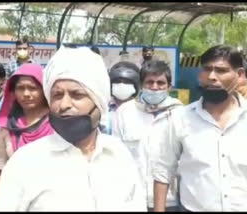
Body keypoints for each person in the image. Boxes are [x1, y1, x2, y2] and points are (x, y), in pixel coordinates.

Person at [0, 46, 147, 211]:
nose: (64, 105)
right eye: (57, 95)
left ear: (98, 102)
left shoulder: (119, 155)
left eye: (77, 95)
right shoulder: (26, 161)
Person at [153, 45, 247, 211]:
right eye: (206, 69)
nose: (212, 76)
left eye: (221, 70)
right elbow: (163, 172)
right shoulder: (180, 118)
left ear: (239, 75)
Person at [113, 60, 183, 211]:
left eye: (160, 83)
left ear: (169, 87)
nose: (155, 87)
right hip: (134, 198)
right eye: (149, 82)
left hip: (171, 200)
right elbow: (116, 154)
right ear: (141, 85)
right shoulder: (125, 112)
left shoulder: (180, 113)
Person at [0, 63, 54, 178]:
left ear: (44, 89)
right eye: (20, 88)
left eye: (33, 88)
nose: (26, 94)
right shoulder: (8, 125)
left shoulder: (57, 123)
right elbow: (1, 167)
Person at [99, 61, 140, 135]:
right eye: (117, 81)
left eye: (127, 82)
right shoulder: (101, 108)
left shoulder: (142, 111)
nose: (122, 85)